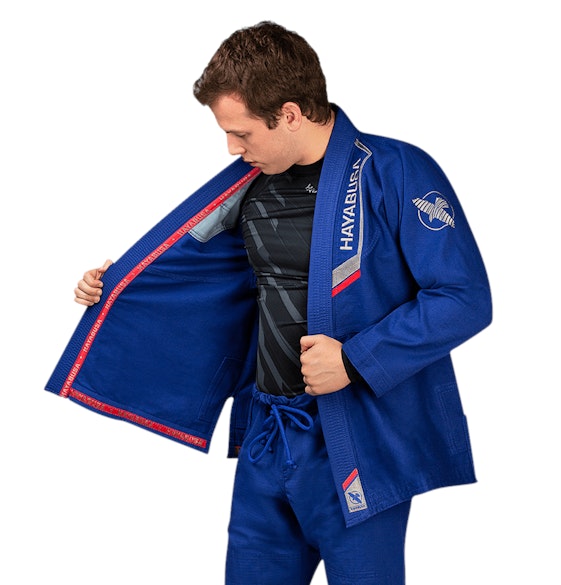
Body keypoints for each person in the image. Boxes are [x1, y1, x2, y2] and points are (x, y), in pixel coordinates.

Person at [55, 21, 491, 584]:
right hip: (266, 437)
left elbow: (463, 298)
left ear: (288, 114)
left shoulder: (396, 171)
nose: (232, 148)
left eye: (241, 133)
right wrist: (118, 287)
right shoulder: (251, 183)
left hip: (355, 442)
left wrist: (355, 360)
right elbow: (201, 273)